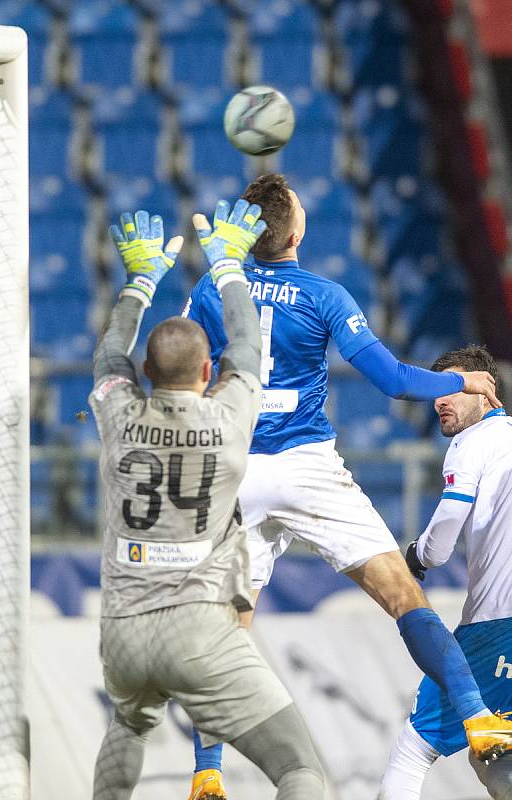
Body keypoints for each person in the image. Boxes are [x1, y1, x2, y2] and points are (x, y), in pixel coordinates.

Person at [182, 172, 512, 799]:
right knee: (403, 597)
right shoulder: (324, 294)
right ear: (297, 230)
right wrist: (460, 383)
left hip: (239, 470)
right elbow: (391, 379)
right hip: (307, 466)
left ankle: (207, 775)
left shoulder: (210, 288)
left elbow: (180, 370)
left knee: (226, 632)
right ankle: (479, 721)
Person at [89, 200, 326, 800]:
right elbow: (246, 341)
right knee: (301, 770)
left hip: (123, 629)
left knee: (127, 727)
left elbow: (107, 356)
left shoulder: (117, 412)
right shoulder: (228, 416)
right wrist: (227, 265)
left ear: (145, 369)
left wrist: (140, 283)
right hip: (199, 628)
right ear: (206, 371)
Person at [379, 344, 512, 800]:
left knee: (415, 749)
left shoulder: (472, 442)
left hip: (498, 624)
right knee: (495, 750)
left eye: (455, 386)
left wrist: (415, 556)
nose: (440, 399)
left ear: (486, 391)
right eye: (437, 389)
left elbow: (442, 539)